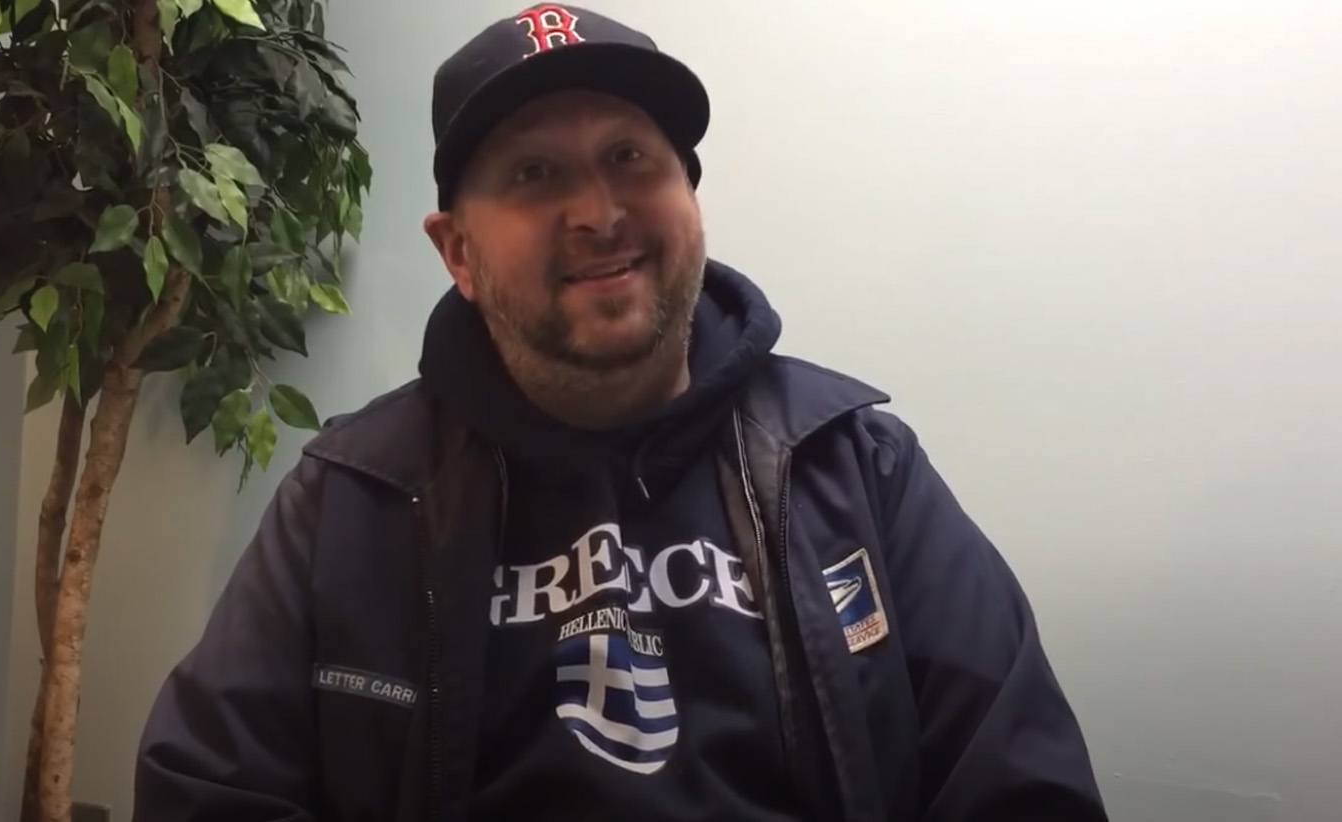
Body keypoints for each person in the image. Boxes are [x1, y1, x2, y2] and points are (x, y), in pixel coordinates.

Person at [134, 4, 1108, 820]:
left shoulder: (855, 467)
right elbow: (207, 792)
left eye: (631, 157)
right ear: (457, 252)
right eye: (533, 174)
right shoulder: (354, 500)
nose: (598, 211)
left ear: (689, 197)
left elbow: (1022, 788)